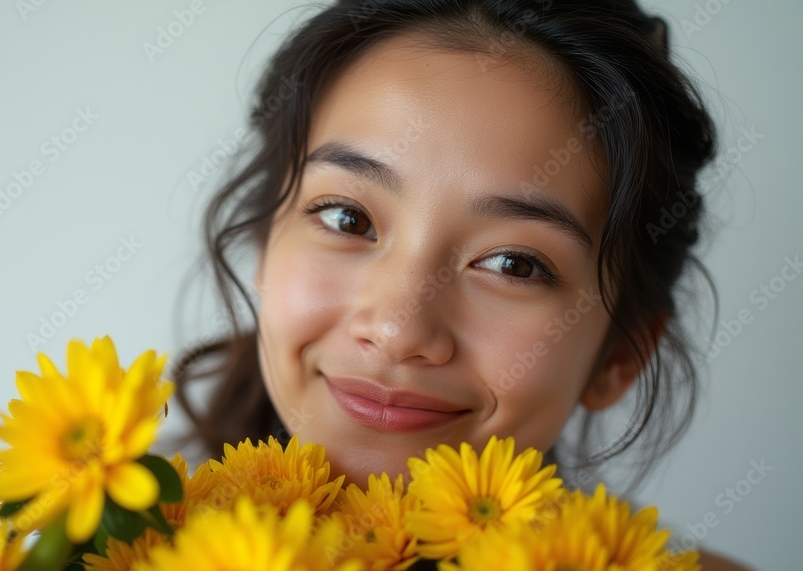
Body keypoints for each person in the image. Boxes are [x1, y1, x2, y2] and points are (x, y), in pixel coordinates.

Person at [170, 1, 749, 568]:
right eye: (348, 218)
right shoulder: (91, 534)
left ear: (619, 358)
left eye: (513, 265)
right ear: (266, 248)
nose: (398, 331)